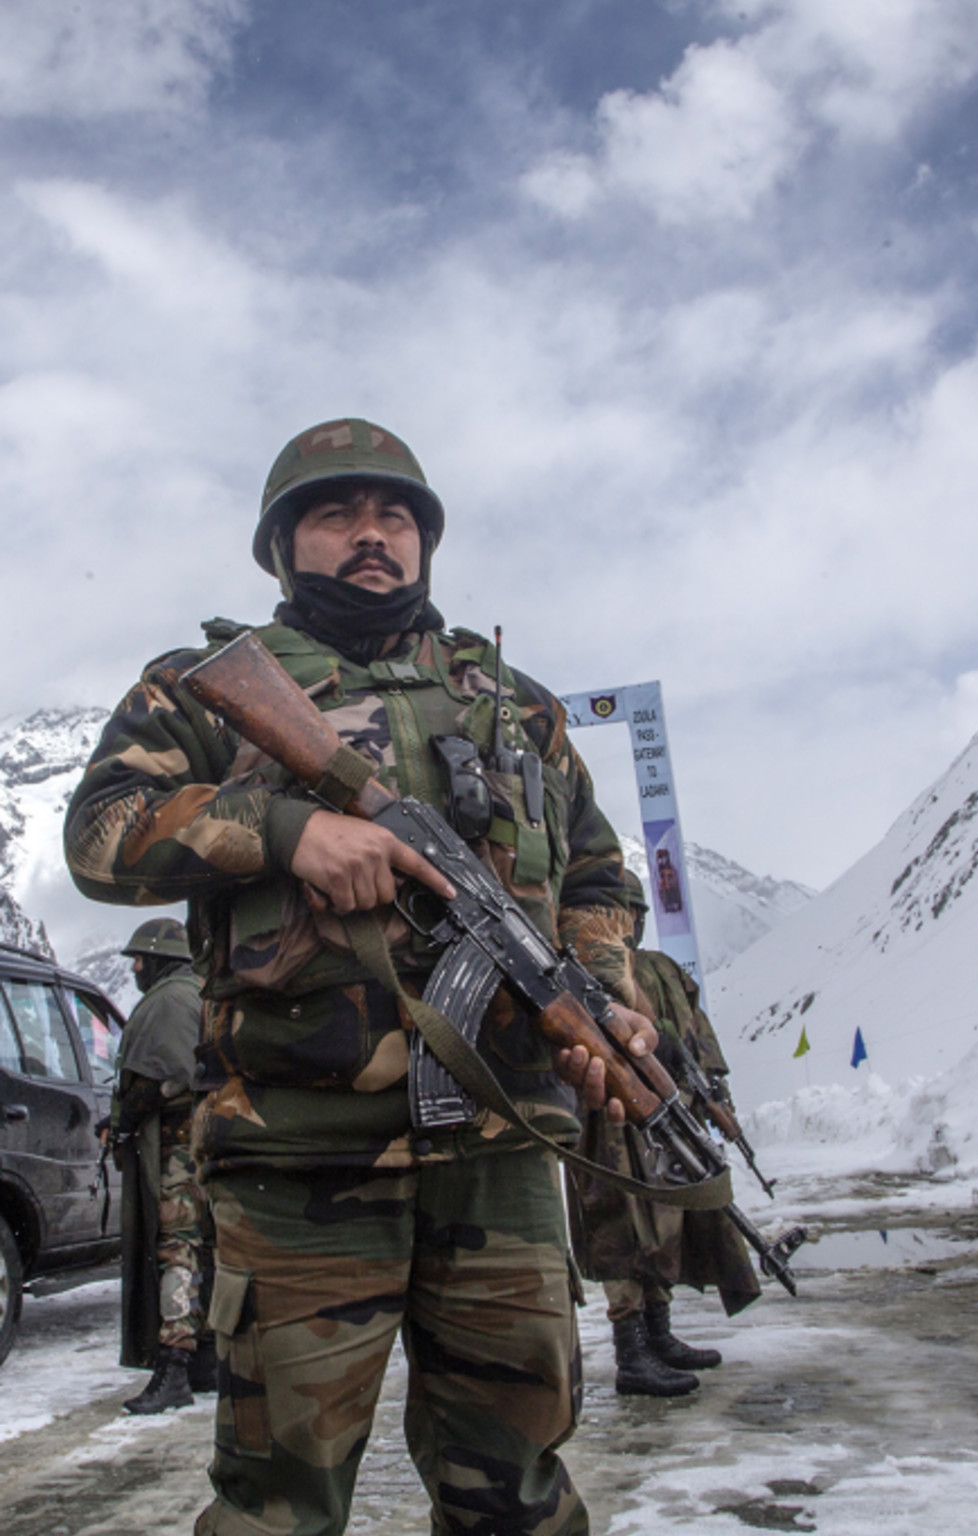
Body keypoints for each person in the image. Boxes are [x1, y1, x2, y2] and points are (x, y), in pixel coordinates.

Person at [65, 417, 657, 1536]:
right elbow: (100, 838)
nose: (370, 536)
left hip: (503, 1154)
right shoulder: (200, 691)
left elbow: (594, 874)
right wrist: (281, 831)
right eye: (335, 514)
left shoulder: (516, 705)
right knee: (276, 1504)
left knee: (518, 1491)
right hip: (300, 1157)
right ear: (284, 545)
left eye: (394, 516)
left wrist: (592, 992)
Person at [567, 871, 762, 1397]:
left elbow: (696, 1034)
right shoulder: (585, 973)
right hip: (605, 1120)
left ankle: (659, 1334)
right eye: (626, 911)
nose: (633, 923)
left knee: (663, 1223)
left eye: (635, 913)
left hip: (661, 1115)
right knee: (618, 1226)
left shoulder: (662, 971)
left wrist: (711, 1090)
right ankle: (632, 1351)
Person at [103, 917, 213, 1413]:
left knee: (177, 1252)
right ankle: (203, 1359)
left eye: (140, 960)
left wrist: (124, 1124)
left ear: (158, 958)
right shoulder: (197, 991)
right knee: (199, 1248)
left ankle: (173, 1368)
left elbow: (155, 1079)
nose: (135, 970)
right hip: (200, 1145)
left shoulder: (168, 1001)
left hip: (176, 1151)